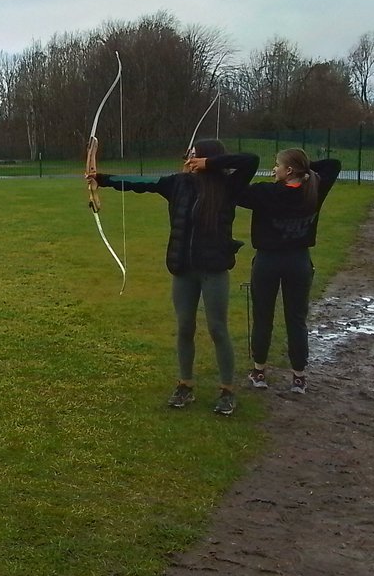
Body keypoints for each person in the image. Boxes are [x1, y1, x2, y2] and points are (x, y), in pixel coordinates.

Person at [91, 141, 259, 415]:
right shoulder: (177, 184)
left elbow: (251, 159)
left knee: (218, 328)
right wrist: (102, 178)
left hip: (213, 269)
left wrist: (209, 165)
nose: (187, 158)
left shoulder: (228, 186)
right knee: (184, 327)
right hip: (183, 268)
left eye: (193, 155)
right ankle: (185, 385)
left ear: (206, 158)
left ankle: (227, 390)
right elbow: (140, 182)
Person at [235, 148, 342, 394]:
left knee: (264, 316)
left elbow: (237, 190)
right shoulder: (313, 189)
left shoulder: (265, 192)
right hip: (298, 262)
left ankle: (259, 371)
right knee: (296, 319)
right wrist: (304, 168)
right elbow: (333, 164)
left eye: (278, 165)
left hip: (267, 262)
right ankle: (298, 377)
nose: (274, 169)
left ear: (289, 170)